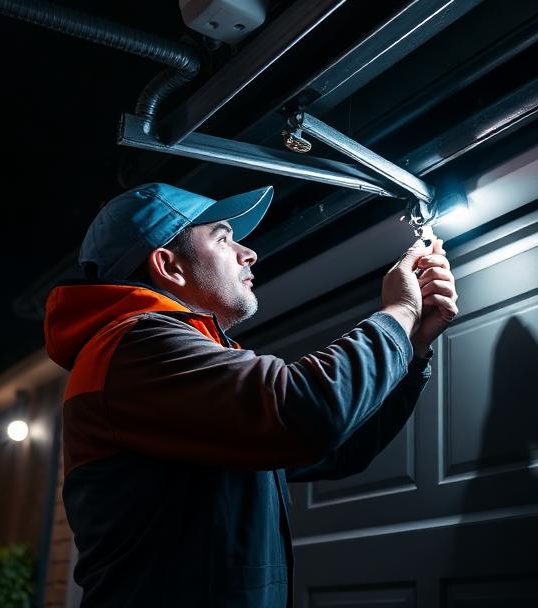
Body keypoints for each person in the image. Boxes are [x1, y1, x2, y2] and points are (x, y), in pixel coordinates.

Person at [44, 182, 458, 607]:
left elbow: (340, 449)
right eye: (223, 238)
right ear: (169, 266)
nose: (249, 253)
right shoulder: (136, 346)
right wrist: (398, 314)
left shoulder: (172, 362)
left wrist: (413, 349)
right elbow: (307, 410)